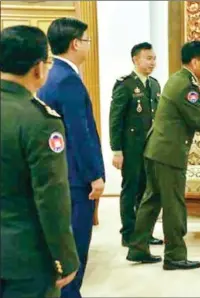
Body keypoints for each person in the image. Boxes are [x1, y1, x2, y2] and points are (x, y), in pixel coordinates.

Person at [126, 40, 200, 270]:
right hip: (169, 154)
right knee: (174, 205)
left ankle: (137, 248)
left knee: (152, 200)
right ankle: (175, 256)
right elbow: (198, 122)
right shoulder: (187, 86)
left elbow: (186, 114)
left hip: (155, 150)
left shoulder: (178, 79)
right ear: (195, 61)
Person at [0, 25, 79, 298]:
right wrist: (65, 258)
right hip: (23, 259)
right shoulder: (39, 121)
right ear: (38, 68)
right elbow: (51, 197)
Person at [37, 17, 105, 298]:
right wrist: (95, 176)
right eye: (87, 40)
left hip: (62, 174)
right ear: (76, 43)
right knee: (75, 249)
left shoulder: (55, 75)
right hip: (77, 179)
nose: (89, 46)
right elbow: (81, 133)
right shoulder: (68, 81)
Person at [110, 42, 163, 247]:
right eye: (148, 58)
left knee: (147, 190)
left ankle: (144, 232)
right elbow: (115, 120)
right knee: (130, 190)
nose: (152, 63)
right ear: (135, 60)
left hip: (151, 148)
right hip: (131, 148)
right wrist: (117, 151)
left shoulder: (155, 84)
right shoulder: (125, 85)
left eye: (154, 59)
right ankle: (129, 233)